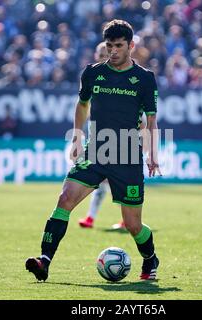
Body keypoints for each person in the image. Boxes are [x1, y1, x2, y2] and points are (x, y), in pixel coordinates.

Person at [26, 20, 161, 281]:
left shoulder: (144, 79)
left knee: (133, 225)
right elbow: (82, 104)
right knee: (65, 199)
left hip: (127, 156)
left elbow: (151, 120)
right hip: (96, 152)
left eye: (119, 46)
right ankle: (44, 261)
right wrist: (77, 136)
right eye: (109, 46)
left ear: (131, 46)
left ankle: (150, 258)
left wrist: (153, 154)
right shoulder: (92, 73)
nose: (113, 51)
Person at [78, 41, 126, 230]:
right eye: (99, 56)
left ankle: (125, 218)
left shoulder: (122, 77)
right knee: (103, 178)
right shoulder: (93, 75)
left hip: (119, 135)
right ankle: (91, 217)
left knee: (116, 178)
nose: (101, 58)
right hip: (97, 131)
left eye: (103, 55)